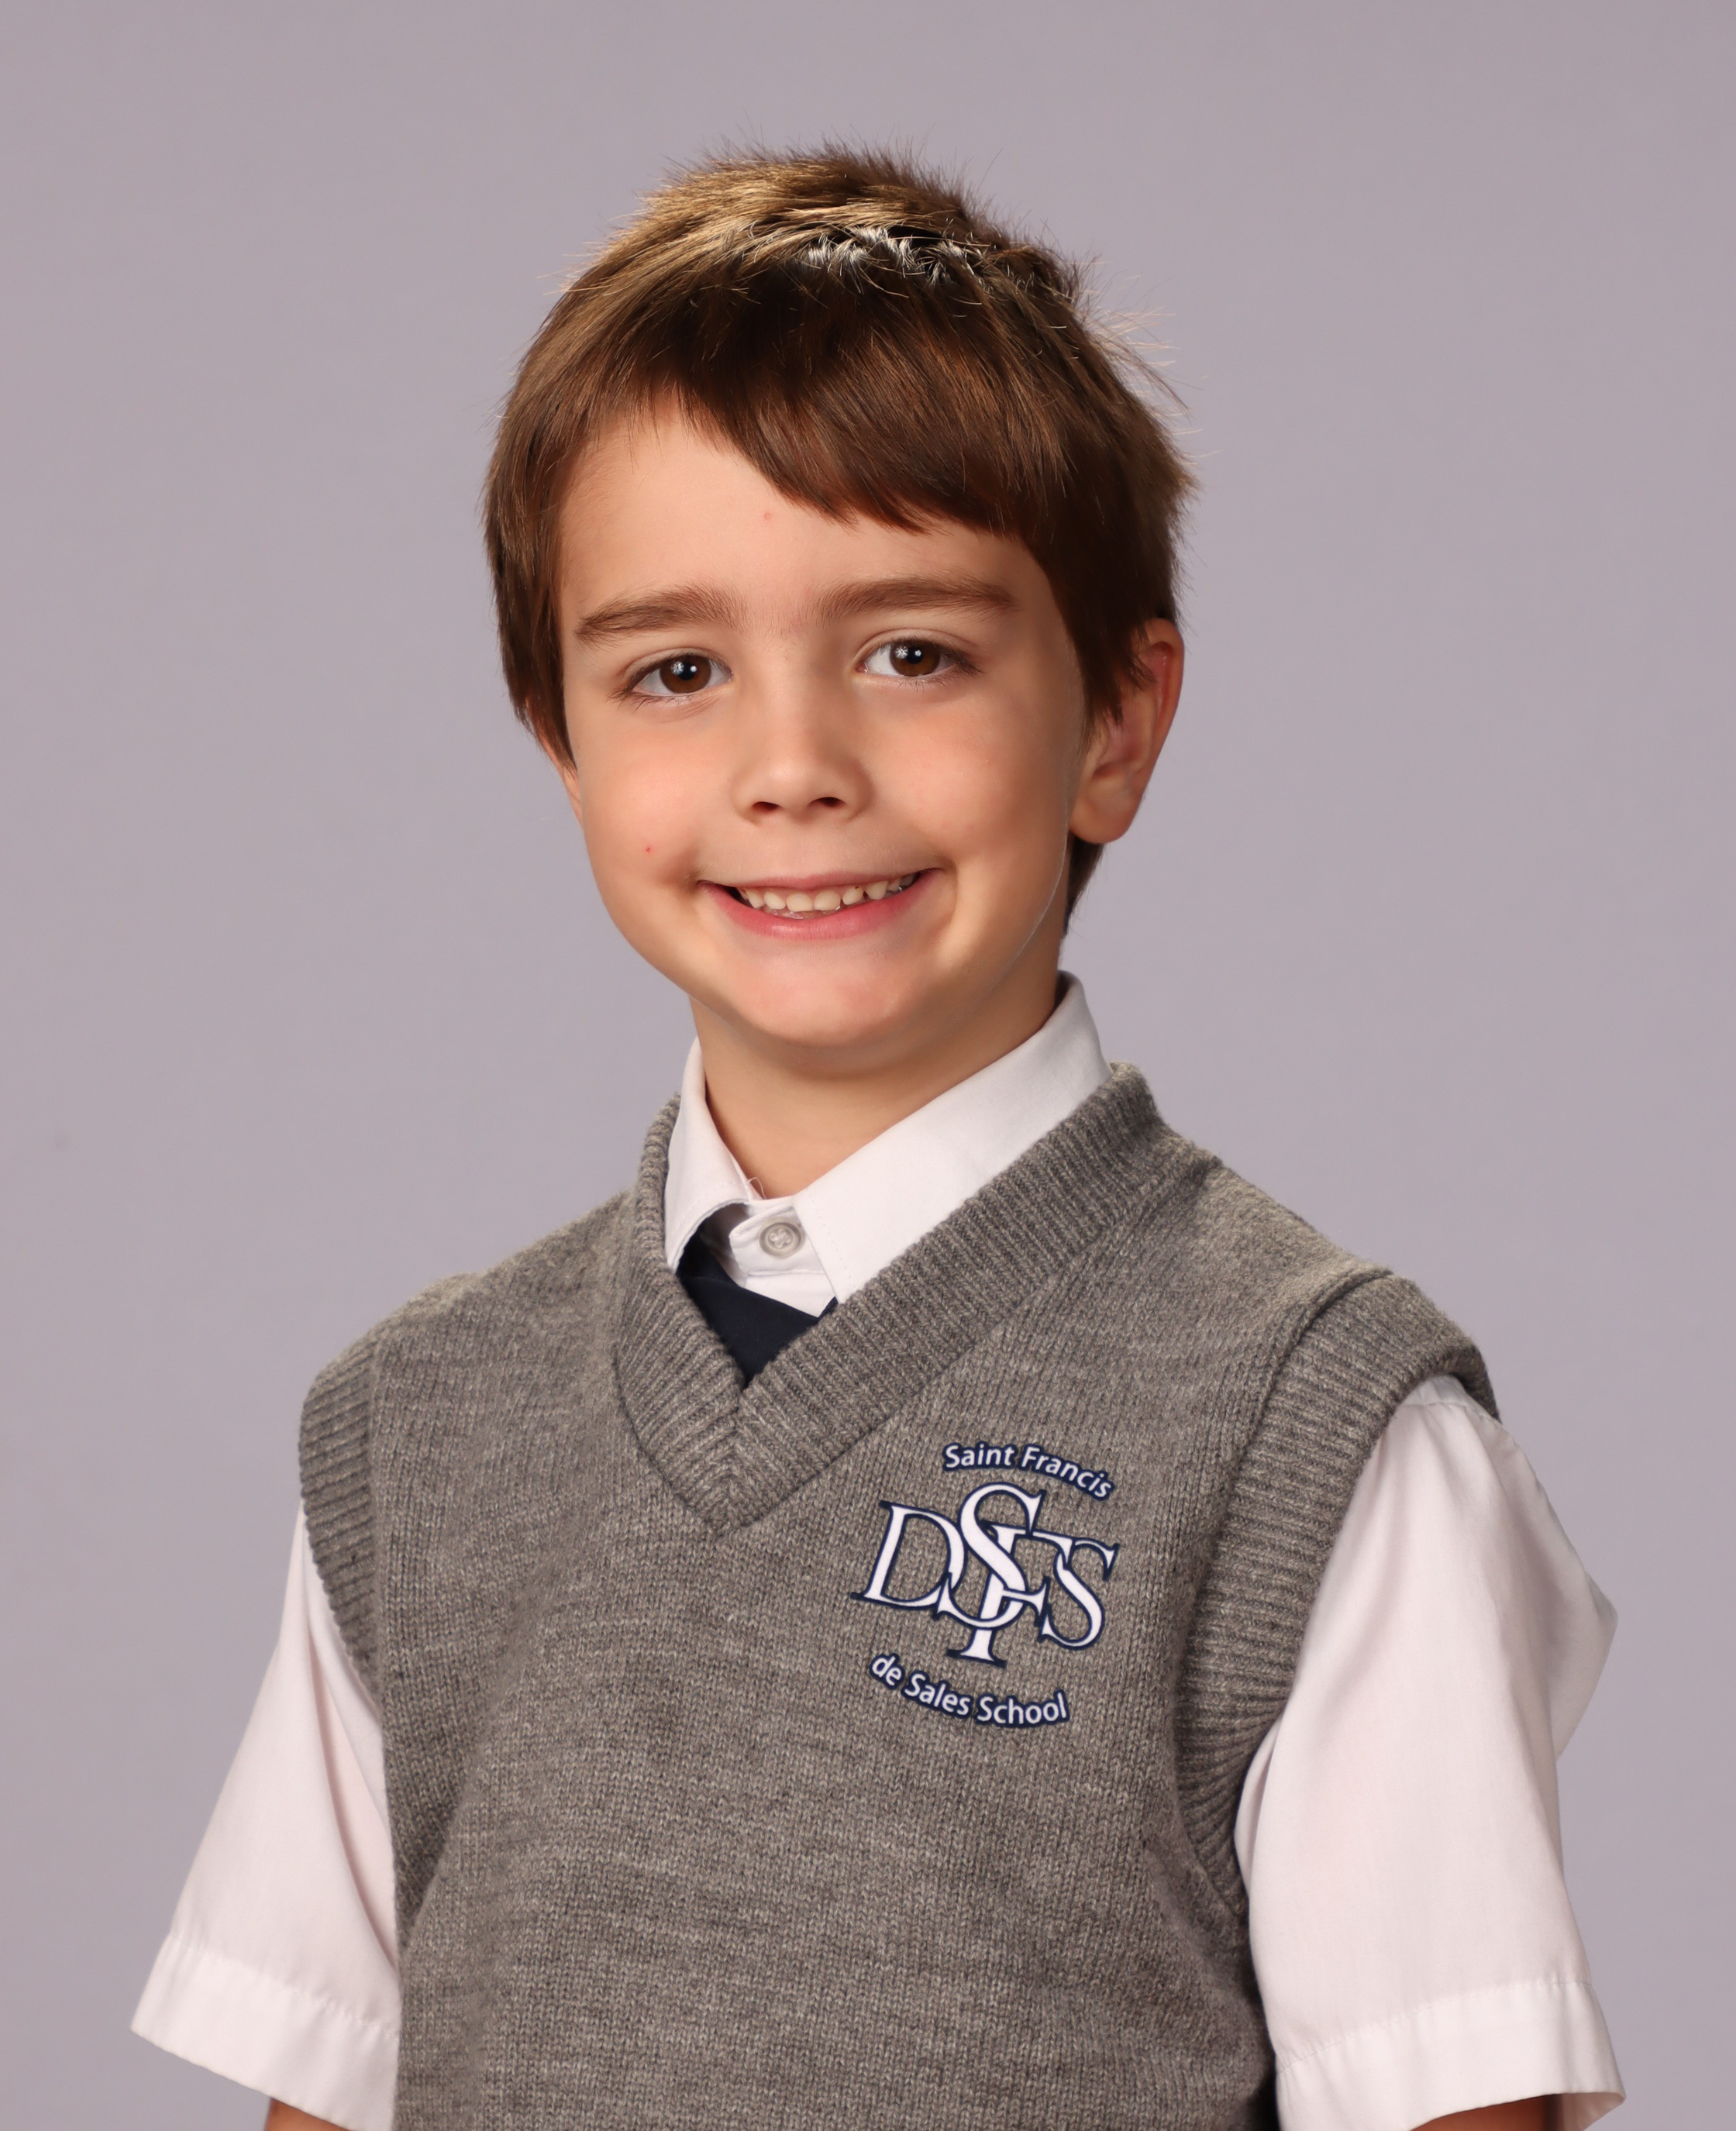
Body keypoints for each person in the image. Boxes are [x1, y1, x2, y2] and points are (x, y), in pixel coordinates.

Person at [133, 150, 1623, 2131]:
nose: (792, 767)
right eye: (674, 671)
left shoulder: (1312, 1424)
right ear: (559, 738)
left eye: (911, 651)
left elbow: (1453, 2100)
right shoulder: (414, 1431)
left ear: (1115, 722)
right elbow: (329, 2084)